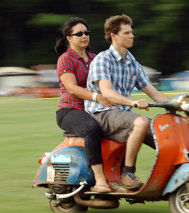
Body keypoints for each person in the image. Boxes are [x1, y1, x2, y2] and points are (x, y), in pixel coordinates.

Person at [84, 14, 171, 190]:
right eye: (127, 33)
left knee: (163, 136)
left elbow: (154, 94)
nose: (132, 36)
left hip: (122, 115)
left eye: (131, 32)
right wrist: (133, 102)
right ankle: (127, 174)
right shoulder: (103, 59)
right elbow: (107, 93)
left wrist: (180, 105)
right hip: (102, 113)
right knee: (141, 122)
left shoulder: (133, 63)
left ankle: (172, 174)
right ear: (114, 36)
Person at [55, 17, 113, 193]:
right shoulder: (65, 60)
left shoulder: (96, 59)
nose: (84, 36)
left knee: (122, 125)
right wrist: (97, 97)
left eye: (86, 32)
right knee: (91, 128)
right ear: (69, 38)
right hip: (70, 110)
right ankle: (100, 179)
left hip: (94, 109)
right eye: (79, 34)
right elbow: (72, 88)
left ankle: (122, 175)